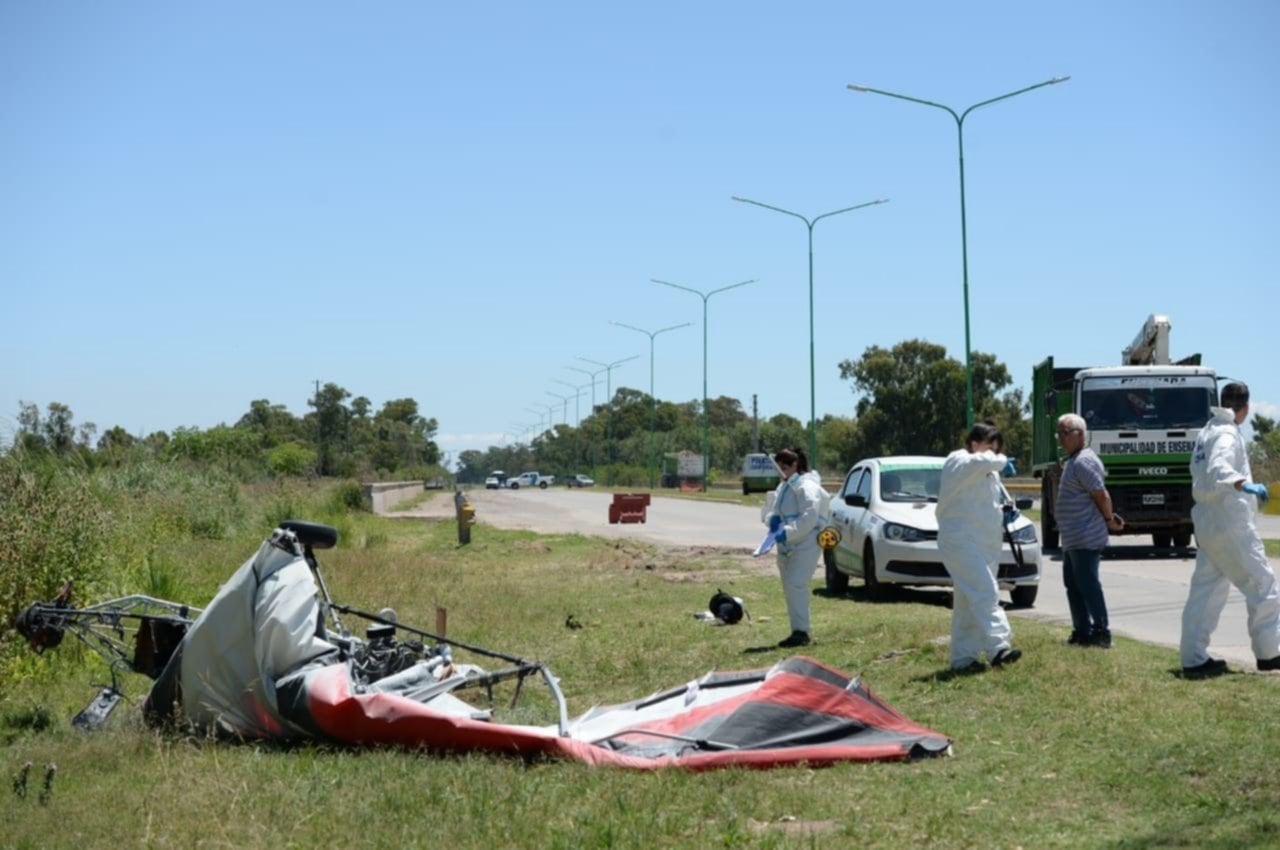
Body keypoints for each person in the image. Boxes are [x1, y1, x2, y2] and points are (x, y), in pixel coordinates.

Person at [1179, 381, 1278, 677]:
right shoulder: (1226, 433)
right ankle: (1270, 653)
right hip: (1229, 521)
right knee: (1263, 585)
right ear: (1245, 407)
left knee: (1206, 591)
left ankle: (1193, 658)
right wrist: (1244, 484)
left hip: (1207, 521)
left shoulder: (1207, 431)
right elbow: (1219, 469)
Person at [936, 422, 1021, 669]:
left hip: (984, 543)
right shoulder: (958, 461)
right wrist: (1000, 459)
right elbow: (982, 462)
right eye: (989, 448)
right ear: (973, 444)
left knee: (967, 603)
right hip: (959, 540)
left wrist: (1005, 512)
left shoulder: (990, 473)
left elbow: (989, 503)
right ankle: (999, 647)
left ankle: (964, 659)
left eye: (997, 449)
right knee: (985, 591)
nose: (993, 454)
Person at [1055, 413, 1124, 648]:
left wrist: (1109, 519)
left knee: (1088, 585)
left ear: (1080, 435)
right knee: (1073, 585)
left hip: (1085, 537)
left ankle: (1101, 631)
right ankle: (1082, 632)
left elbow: (1101, 494)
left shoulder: (1084, 461)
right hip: (1072, 539)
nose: (1061, 438)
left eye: (1065, 433)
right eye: (1059, 433)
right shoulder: (1074, 460)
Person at [761, 447, 826, 648]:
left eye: (784, 467)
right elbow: (772, 511)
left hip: (806, 542)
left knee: (796, 584)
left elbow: (809, 517)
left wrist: (787, 532)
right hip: (787, 545)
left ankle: (801, 632)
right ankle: (797, 630)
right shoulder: (784, 486)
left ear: (795, 465)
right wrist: (772, 523)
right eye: (779, 467)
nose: (781, 471)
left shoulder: (806, 487)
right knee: (790, 587)